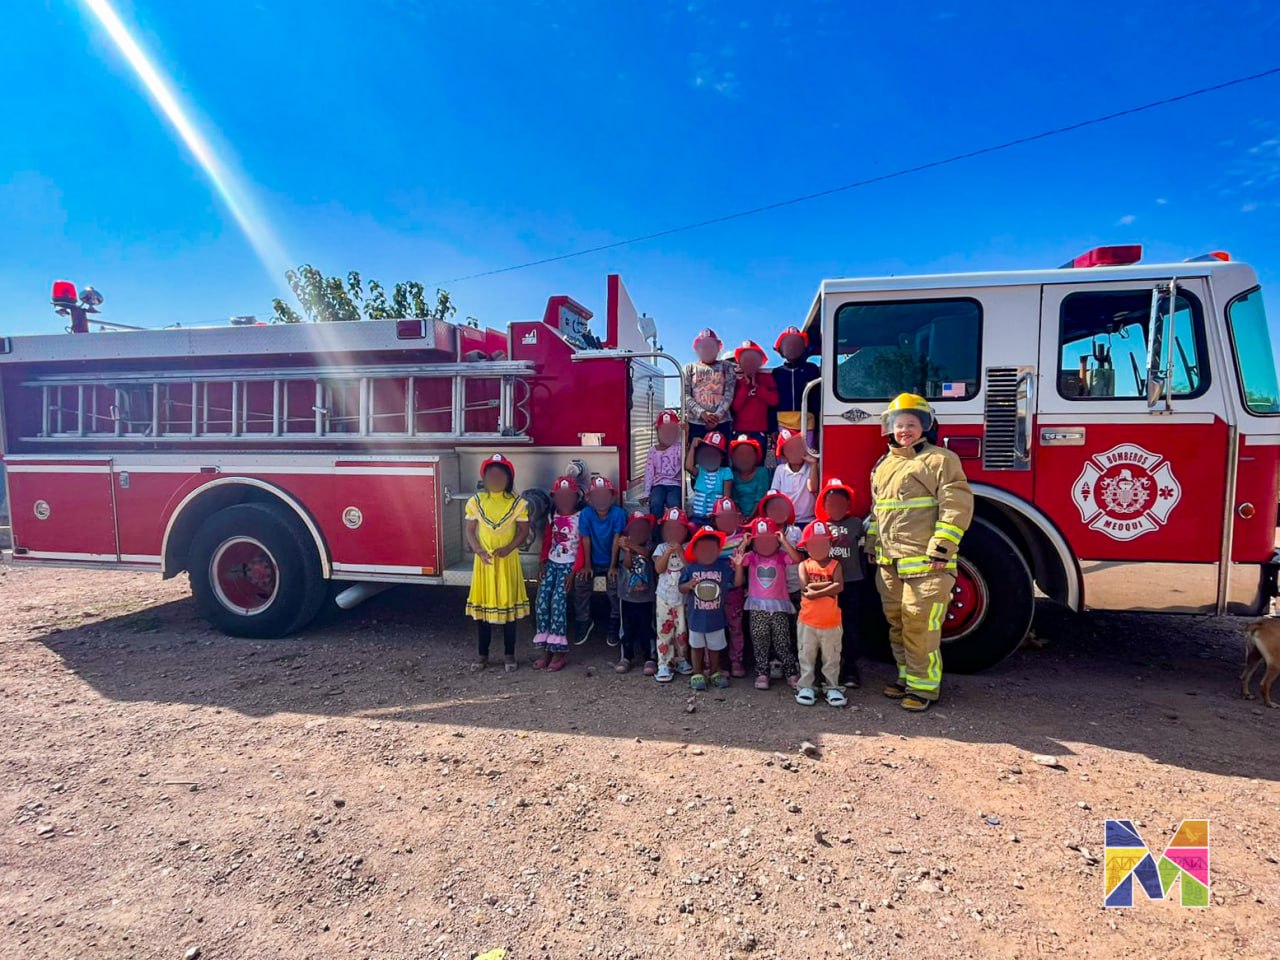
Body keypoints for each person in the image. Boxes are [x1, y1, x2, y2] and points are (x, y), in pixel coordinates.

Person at [866, 394, 974, 713]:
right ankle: (906, 678)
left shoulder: (941, 460)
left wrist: (943, 547)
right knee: (898, 623)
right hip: (889, 563)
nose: (904, 430)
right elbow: (877, 512)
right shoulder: (883, 465)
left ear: (926, 426)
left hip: (928, 565)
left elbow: (956, 505)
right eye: (899, 425)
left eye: (912, 424)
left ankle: (924, 688)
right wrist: (872, 545)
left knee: (920, 626)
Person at [464, 454, 531, 671]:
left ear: (509, 479)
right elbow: (470, 530)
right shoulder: (476, 502)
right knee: (483, 612)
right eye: (491, 475)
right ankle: (482, 655)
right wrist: (478, 550)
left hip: (507, 562)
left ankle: (509, 655)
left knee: (508, 610)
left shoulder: (517, 503)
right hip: (484, 563)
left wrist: (509, 548)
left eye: (500, 476)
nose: (495, 479)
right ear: (484, 478)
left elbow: (524, 531)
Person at [733, 517, 802, 690]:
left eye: (769, 540)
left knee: (782, 640)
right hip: (757, 607)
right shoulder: (751, 557)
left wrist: (784, 541)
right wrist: (744, 543)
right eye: (760, 541)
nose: (765, 545)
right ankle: (762, 672)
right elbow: (737, 563)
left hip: (779, 606)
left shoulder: (781, 556)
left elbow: (797, 559)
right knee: (759, 640)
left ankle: (790, 671)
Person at [817, 477, 865, 688]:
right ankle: (827, 668)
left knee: (850, 626)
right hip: (828, 585)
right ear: (824, 506)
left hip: (852, 583)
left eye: (840, 503)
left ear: (848, 505)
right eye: (831, 503)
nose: (835, 507)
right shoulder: (819, 526)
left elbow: (864, 549)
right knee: (827, 627)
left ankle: (850, 668)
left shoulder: (857, 524)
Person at [533, 475, 584, 671]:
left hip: (568, 566)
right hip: (552, 564)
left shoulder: (581, 517)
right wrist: (542, 562)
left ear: (576, 497)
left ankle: (558, 651)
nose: (564, 500)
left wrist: (574, 571)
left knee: (558, 603)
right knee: (541, 601)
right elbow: (547, 540)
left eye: (569, 496)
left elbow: (583, 546)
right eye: (560, 496)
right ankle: (545, 648)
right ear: (553, 497)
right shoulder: (551, 516)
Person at [794, 520, 846, 707]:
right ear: (806, 546)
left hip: (832, 622)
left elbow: (839, 586)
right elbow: (804, 587)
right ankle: (805, 686)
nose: (818, 548)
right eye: (813, 544)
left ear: (830, 544)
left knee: (831, 658)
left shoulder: (836, 564)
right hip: (807, 622)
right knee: (806, 656)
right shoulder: (804, 565)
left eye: (823, 543)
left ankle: (832, 687)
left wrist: (816, 590)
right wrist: (829, 585)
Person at [574, 474, 627, 647]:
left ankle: (615, 621)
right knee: (581, 582)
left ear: (612, 497)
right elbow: (586, 539)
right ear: (589, 499)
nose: (601, 499)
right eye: (596, 495)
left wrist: (613, 566)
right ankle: (583, 620)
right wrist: (587, 565)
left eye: (605, 495)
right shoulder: (586, 514)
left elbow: (616, 539)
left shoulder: (618, 514)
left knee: (615, 586)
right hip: (593, 561)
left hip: (612, 561)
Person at [679, 525, 734, 691]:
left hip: (716, 617)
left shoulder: (723, 567)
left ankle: (714, 671)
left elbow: (736, 582)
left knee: (715, 647)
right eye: (702, 549)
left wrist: (738, 566)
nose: (707, 552)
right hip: (696, 617)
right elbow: (681, 588)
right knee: (696, 647)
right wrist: (688, 585)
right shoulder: (690, 568)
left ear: (718, 551)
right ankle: (697, 673)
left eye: (711, 549)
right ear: (694, 551)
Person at [758, 488, 804, 680]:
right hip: (772, 592)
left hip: (793, 587)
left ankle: (795, 662)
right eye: (773, 509)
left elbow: (799, 557)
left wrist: (783, 541)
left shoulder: (795, 531)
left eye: (781, 507)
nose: (778, 512)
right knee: (774, 629)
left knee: (794, 628)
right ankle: (774, 661)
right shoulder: (761, 532)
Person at [653, 506, 694, 683]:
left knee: (682, 631)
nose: (673, 533)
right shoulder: (660, 548)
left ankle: (681, 659)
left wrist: (681, 552)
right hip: (664, 597)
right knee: (664, 630)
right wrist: (668, 552)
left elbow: (690, 567)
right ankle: (664, 663)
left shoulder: (688, 547)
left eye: (678, 529)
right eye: (669, 528)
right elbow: (659, 568)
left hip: (683, 598)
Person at [615, 511, 657, 675]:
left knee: (648, 628)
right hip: (627, 596)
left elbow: (647, 554)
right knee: (627, 629)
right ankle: (626, 657)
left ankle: (650, 657)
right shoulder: (624, 548)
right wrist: (627, 550)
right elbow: (626, 565)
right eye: (635, 529)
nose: (639, 532)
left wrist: (630, 546)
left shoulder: (650, 545)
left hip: (647, 597)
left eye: (643, 529)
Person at [711, 496, 749, 677]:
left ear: (738, 518)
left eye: (731, 517)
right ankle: (713, 662)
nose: (726, 521)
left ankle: (736, 660)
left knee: (736, 627)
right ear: (715, 519)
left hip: (735, 590)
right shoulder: (709, 537)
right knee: (714, 627)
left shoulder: (744, 537)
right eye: (722, 517)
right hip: (714, 592)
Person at [683, 328, 737, 440]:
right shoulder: (689, 368)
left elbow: (729, 394)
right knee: (696, 450)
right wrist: (702, 413)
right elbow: (685, 395)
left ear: (718, 348)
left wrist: (717, 416)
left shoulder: (727, 366)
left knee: (722, 451)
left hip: (722, 423)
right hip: (696, 423)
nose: (707, 350)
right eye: (703, 346)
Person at [773, 326, 821, 448]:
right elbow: (773, 403)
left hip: (807, 422)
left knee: (807, 454)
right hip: (783, 422)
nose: (792, 347)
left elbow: (817, 399)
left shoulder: (812, 369)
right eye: (788, 345)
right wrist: (772, 428)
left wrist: (818, 427)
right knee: (786, 454)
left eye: (796, 344)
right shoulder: (777, 372)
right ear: (780, 350)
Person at [730, 340, 778, 448]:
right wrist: (745, 386)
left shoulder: (767, 378)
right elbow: (735, 407)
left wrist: (758, 387)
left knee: (759, 457)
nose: (749, 363)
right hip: (739, 430)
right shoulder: (737, 380)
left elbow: (774, 401)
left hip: (759, 430)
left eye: (753, 360)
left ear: (760, 361)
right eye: (745, 360)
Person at [771, 428, 819, 524]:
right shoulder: (780, 470)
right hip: (787, 521)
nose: (796, 452)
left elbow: (813, 488)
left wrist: (814, 464)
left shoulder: (811, 467)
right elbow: (775, 495)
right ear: (783, 456)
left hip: (809, 520)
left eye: (798, 447)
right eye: (790, 450)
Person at [685, 431, 733, 526]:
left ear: (721, 457)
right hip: (698, 516)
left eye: (714, 455)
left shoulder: (725, 472)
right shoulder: (700, 471)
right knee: (691, 527)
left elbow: (726, 498)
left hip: (714, 518)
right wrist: (693, 447)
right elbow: (688, 467)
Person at [643, 410, 684, 522]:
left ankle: (673, 527)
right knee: (655, 502)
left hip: (675, 484)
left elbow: (684, 459)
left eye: (671, 431)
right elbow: (649, 472)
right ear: (657, 432)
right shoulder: (653, 451)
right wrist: (646, 493)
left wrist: (687, 431)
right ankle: (657, 528)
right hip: (658, 484)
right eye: (664, 431)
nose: (668, 434)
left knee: (673, 502)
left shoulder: (678, 448)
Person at [728, 434, 769, 520]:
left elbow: (761, 498)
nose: (744, 458)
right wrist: (740, 516)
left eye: (749, 454)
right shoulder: (732, 474)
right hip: (737, 518)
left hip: (759, 518)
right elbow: (734, 500)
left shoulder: (762, 472)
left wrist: (750, 518)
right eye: (740, 454)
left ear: (756, 456)